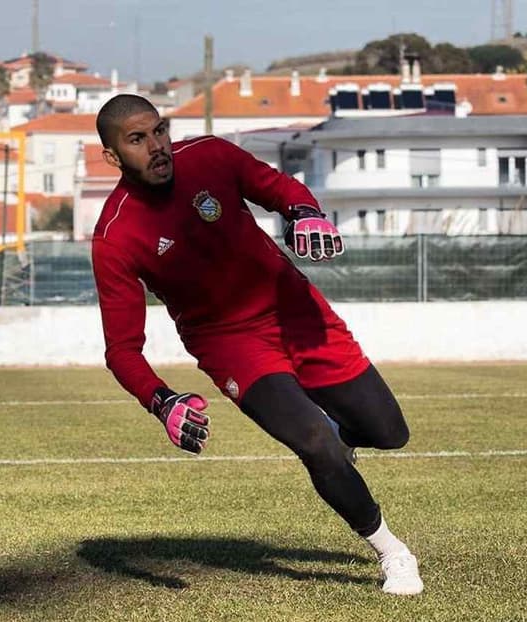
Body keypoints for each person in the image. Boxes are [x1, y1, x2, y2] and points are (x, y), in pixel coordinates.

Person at [91, 94, 423, 595]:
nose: (157, 146)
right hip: (229, 344)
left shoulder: (210, 155)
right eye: (137, 140)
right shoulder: (115, 236)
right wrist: (162, 402)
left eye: (159, 131)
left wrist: (306, 212)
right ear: (113, 157)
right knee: (314, 443)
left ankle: (339, 441)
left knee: (389, 431)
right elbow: (122, 349)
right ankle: (393, 553)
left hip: (295, 310)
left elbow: (279, 188)